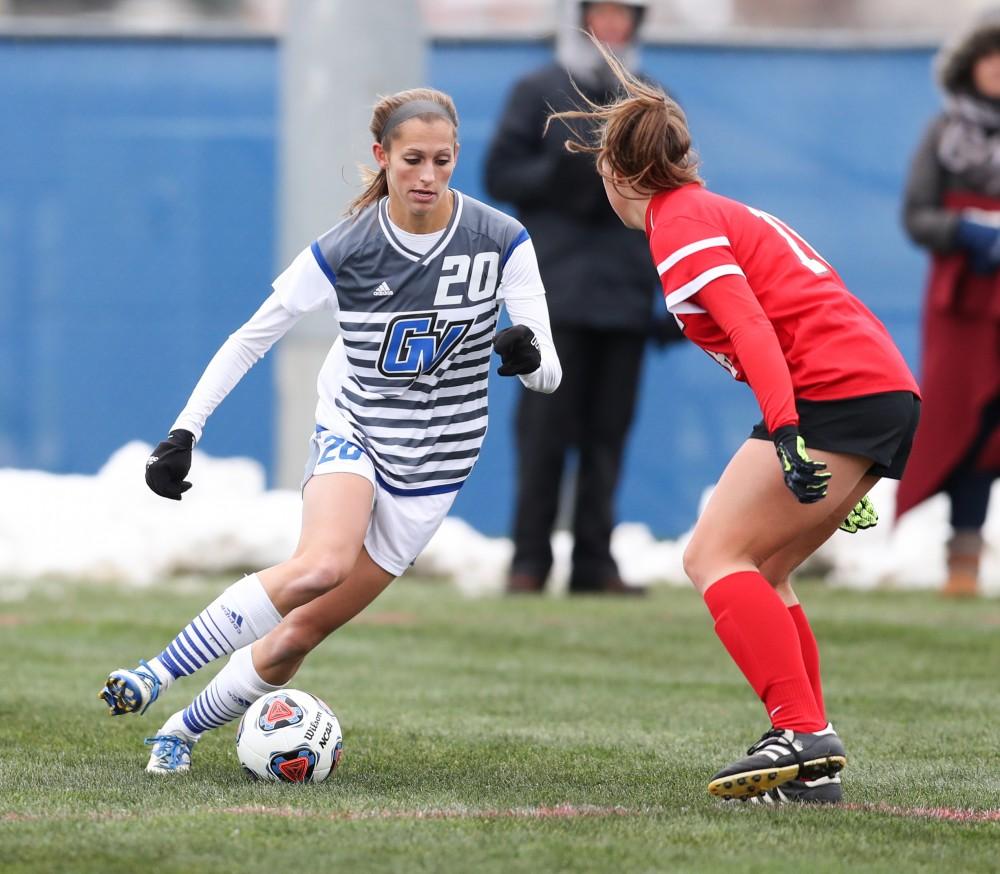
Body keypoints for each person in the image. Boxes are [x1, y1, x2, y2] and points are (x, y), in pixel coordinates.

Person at [97, 87, 562, 774]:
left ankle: (181, 731)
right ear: (382, 157)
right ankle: (155, 671)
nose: (427, 176)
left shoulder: (501, 240)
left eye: (441, 160)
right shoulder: (347, 248)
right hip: (356, 428)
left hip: (435, 468)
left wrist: (527, 359)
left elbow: (550, 372)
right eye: (411, 161)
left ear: (457, 157)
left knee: (295, 639)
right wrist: (184, 432)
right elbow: (251, 338)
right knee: (321, 564)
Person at [549, 40, 920, 803]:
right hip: (870, 392)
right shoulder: (709, 209)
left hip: (835, 397)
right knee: (767, 568)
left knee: (711, 556)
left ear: (617, 173)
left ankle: (802, 730)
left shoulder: (677, 223)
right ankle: (813, 765)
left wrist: (788, 435)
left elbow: (751, 327)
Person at [484, 0, 675, 596]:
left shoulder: (652, 99)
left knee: (607, 436)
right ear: (581, 19)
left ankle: (594, 563)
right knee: (543, 436)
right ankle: (528, 563)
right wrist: (558, 174)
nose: (614, 27)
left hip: (623, 297)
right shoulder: (536, 91)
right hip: (556, 295)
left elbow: (676, 198)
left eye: (625, 16)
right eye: (604, 13)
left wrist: (671, 294)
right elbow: (499, 176)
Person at [897, 13, 1000, 597]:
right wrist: (966, 231)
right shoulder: (942, 134)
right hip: (961, 302)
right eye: (989, 58)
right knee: (966, 420)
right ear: (969, 67)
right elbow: (917, 215)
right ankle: (963, 559)